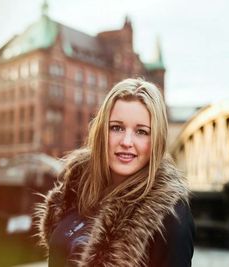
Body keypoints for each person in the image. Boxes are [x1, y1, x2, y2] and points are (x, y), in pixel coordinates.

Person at [35, 78, 194, 267]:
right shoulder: (75, 190)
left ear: (156, 140)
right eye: (116, 128)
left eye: (141, 131)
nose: (127, 141)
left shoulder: (169, 216)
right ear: (102, 131)